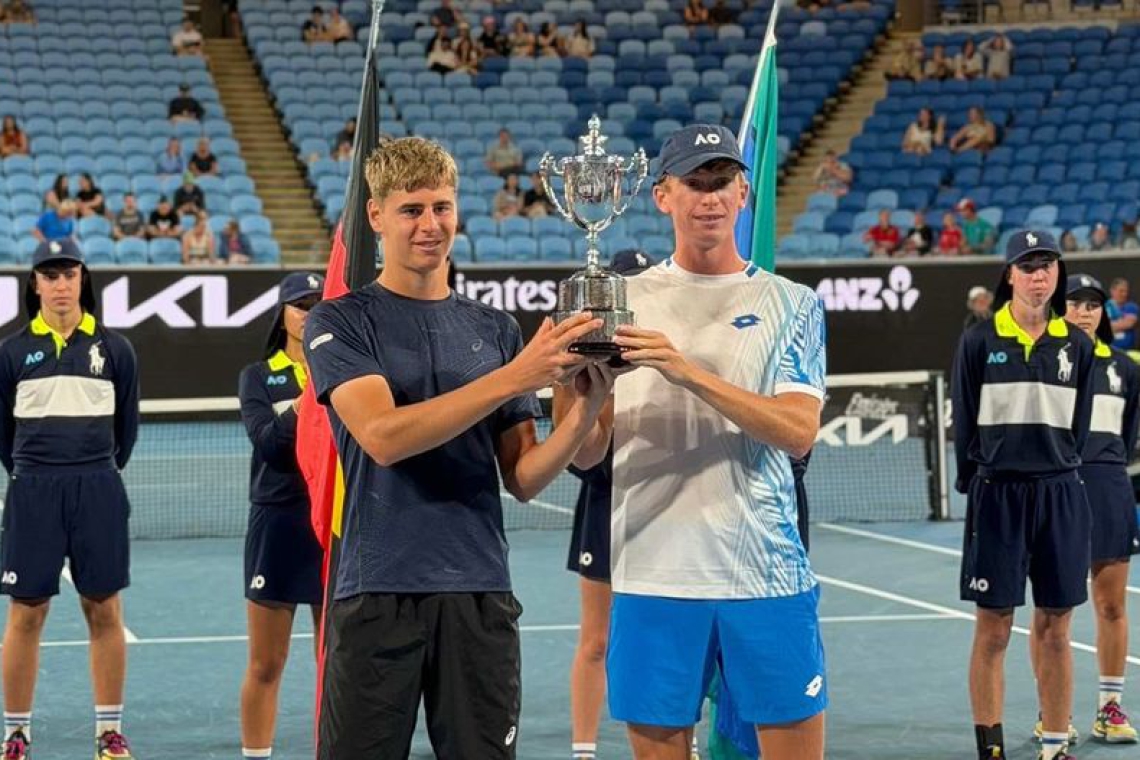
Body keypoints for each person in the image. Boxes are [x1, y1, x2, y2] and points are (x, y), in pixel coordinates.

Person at [303, 136, 612, 758]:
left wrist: (587, 407)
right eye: (411, 210)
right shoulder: (339, 321)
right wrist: (516, 377)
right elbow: (384, 437)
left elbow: (524, 477)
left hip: (479, 591)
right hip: (376, 590)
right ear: (376, 216)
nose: (430, 225)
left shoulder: (494, 328)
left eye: (441, 207)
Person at [573, 123, 827, 759]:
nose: (709, 197)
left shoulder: (793, 304)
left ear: (743, 194)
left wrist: (684, 370)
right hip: (652, 574)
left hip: (766, 579)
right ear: (663, 196)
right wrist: (576, 386)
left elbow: (798, 433)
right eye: (694, 183)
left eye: (721, 182)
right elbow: (587, 453)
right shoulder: (619, 301)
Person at [952, 230, 1094, 760]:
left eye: (1047, 265)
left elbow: (1079, 428)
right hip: (998, 497)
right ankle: (991, 749)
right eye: (1028, 266)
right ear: (1009, 274)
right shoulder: (978, 340)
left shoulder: (1077, 345)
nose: (1039, 276)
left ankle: (1055, 745)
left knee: (1056, 628)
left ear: (1058, 273)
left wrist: (1056, 466)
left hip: (1060, 495)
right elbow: (964, 420)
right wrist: (979, 482)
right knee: (993, 629)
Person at [0, 239, 140, 760]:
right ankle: (16, 734)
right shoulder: (11, 353)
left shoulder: (116, 350)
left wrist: (94, 472)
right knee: (25, 613)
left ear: (83, 279)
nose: (60, 284)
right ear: (35, 284)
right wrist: (34, 475)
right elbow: (4, 436)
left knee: (104, 608)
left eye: (68, 274)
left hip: (98, 488)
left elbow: (126, 431)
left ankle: (109, 733)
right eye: (50, 275)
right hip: (33, 490)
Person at [558, 250, 653, 760]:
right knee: (596, 639)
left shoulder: (661, 356)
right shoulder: (587, 362)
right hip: (603, 503)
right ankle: (584, 750)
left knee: (665, 635)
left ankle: (686, 739)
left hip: (662, 509)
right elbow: (580, 457)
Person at [1044, 274, 1140, 745]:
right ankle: (1052, 715)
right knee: (1052, 612)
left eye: (1092, 305)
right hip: (1056, 487)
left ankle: (1109, 708)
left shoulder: (1124, 368)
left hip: (1108, 487)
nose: (1084, 312)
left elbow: (1129, 435)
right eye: (1074, 303)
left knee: (1112, 605)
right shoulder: (1043, 360)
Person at [238, 272, 327, 760]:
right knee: (267, 663)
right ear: (283, 315)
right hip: (278, 523)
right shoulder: (257, 377)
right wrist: (310, 394)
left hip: (333, 521)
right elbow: (270, 445)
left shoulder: (348, 369)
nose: (309, 314)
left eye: (317, 304)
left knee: (335, 663)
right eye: (300, 306)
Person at [1107, 278, 1139, 351]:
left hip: (1127, 351)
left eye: (1126, 291)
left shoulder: (1131, 307)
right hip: (1108, 350)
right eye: (1121, 291)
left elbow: (1129, 324)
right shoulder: (1103, 307)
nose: (1124, 294)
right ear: (1112, 291)